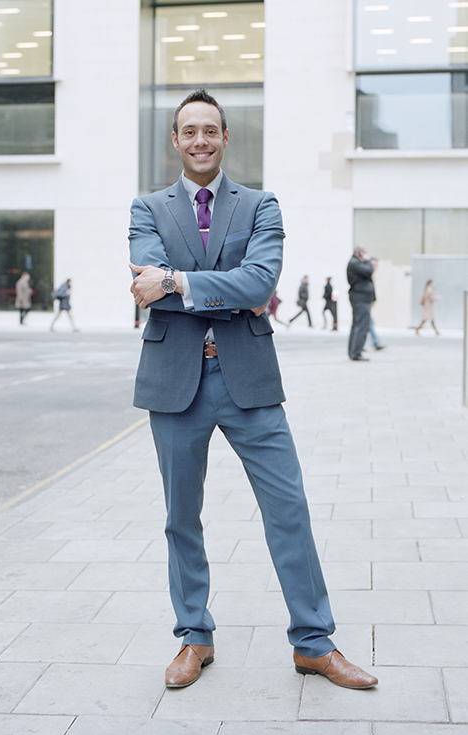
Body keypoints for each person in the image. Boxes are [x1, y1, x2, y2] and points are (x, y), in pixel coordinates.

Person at [128, 88, 377, 691]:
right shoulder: (146, 208)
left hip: (248, 378)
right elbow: (145, 279)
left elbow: (259, 282)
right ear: (176, 140)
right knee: (180, 516)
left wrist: (178, 281)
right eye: (189, 131)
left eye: (210, 130)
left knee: (288, 509)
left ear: (225, 137)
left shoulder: (261, 205)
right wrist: (208, 285)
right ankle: (195, 636)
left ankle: (314, 643)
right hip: (175, 383)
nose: (200, 141)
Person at [347, 246, 376, 361]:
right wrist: (368, 260)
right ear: (358, 253)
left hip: (359, 297)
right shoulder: (355, 263)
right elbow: (369, 271)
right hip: (360, 298)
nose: (365, 255)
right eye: (364, 253)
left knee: (357, 325)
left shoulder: (355, 263)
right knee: (361, 325)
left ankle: (354, 351)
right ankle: (356, 352)